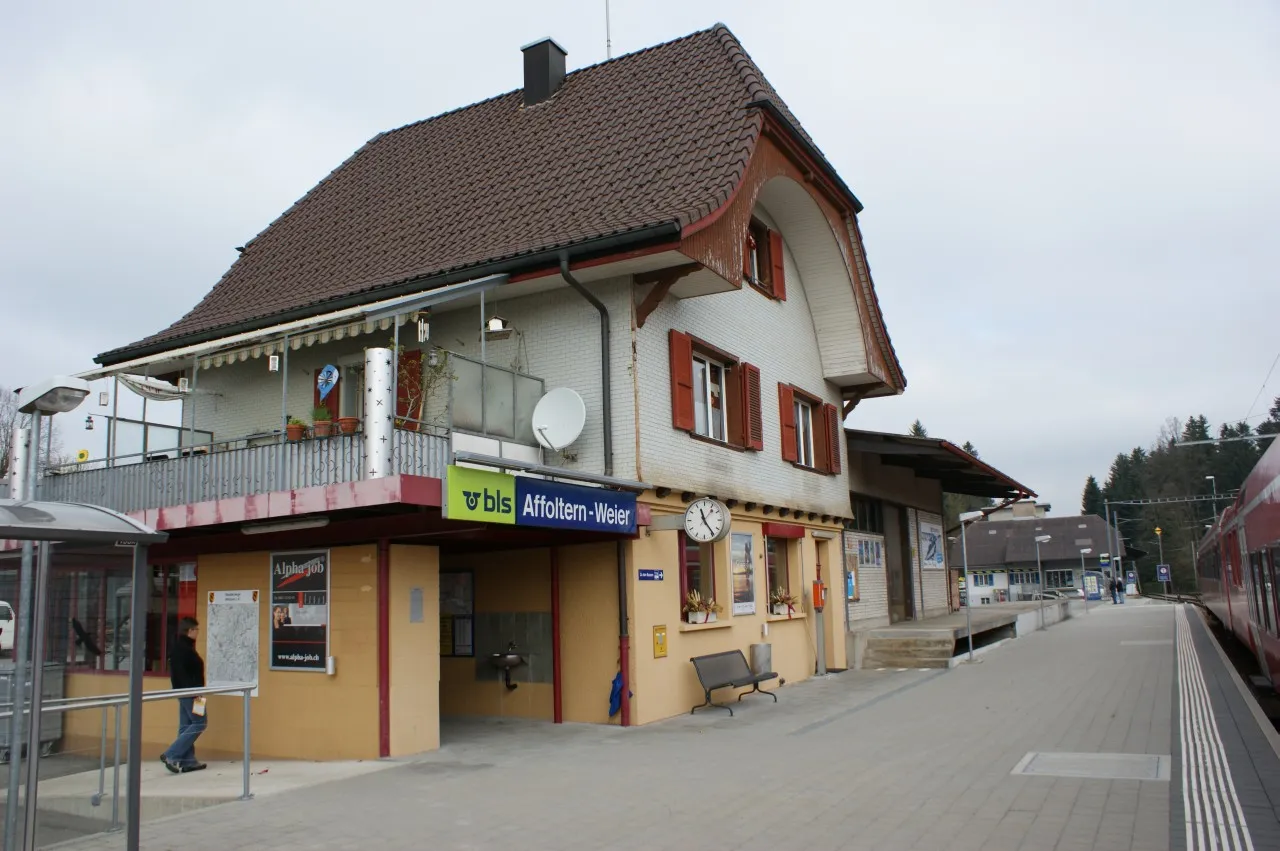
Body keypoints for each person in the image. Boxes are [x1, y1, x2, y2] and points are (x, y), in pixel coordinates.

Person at [161, 617, 207, 773]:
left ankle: (188, 762)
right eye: (196, 630)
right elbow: (182, 674)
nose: (198, 633)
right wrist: (194, 693)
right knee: (200, 723)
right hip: (192, 693)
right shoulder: (182, 649)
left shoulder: (184, 646)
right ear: (190, 631)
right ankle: (171, 754)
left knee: (186, 726)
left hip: (190, 692)